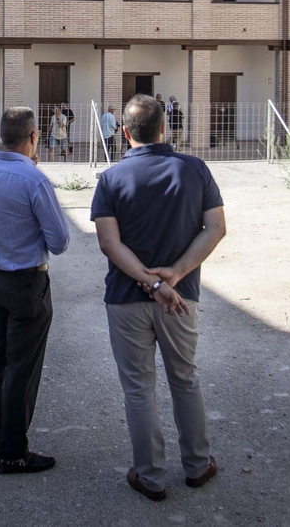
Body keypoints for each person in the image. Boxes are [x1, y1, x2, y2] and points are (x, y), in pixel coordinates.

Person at [91, 94, 227, 501]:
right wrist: (176, 275)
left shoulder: (111, 179)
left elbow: (109, 244)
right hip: (181, 299)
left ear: (125, 132)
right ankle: (198, 466)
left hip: (126, 299)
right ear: (164, 129)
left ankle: (150, 476)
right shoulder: (195, 169)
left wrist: (151, 284)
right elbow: (216, 228)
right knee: (185, 379)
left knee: (138, 388)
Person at [0, 107, 70, 474]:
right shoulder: (34, 180)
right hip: (26, 282)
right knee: (22, 367)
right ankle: (14, 452)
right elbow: (59, 241)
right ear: (33, 137)